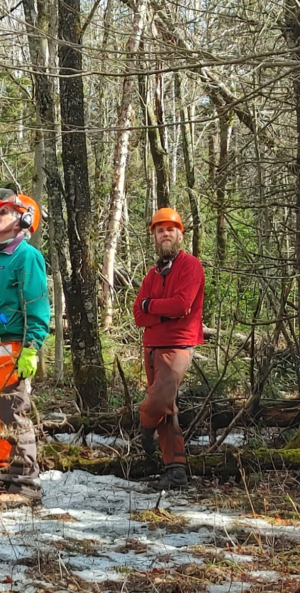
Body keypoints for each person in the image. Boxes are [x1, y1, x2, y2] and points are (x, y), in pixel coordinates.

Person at [0, 192, 51, 504]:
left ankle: (25, 484)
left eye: (5, 211)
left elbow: (37, 306)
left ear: (24, 220)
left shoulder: (27, 257)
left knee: (13, 413)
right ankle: (0, 475)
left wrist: (31, 347)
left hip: (12, 347)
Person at [132, 207, 205, 491]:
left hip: (178, 345)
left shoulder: (190, 266)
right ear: (154, 237)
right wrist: (158, 311)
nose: (165, 234)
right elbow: (139, 314)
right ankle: (175, 471)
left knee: (159, 401)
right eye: (160, 230)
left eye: (170, 230)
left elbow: (181, 305)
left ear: (180, 235)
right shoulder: (153, 273)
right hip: (151, 346)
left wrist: (153, 307)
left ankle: (145, 428)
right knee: (168, 410)